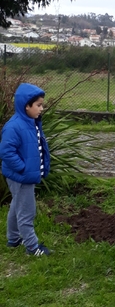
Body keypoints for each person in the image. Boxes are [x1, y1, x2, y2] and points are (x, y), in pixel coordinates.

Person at [0, 83, 52, 256]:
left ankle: (13, 238)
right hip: (21, 177)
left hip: (23, 176)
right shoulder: (14, 126)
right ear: (26, 106)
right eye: (38, 105)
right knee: (27, 212)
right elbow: (6, 152)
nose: (41, 109)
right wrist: (23, 169)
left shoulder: (31, 123)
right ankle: (32, 247)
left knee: (17, 205)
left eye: (41, 104)